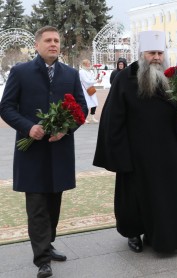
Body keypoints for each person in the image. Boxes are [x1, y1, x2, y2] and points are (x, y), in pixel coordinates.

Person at [93, 30, 177, 253]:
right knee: (135, 199)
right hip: (136, 153)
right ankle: (133, 234)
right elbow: (113, 120)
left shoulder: (171, 79)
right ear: (141, 54)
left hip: (167, 150)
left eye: (160, 52)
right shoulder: (125, 79)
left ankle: (163, 237)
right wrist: (120, 156)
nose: (156, 57)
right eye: (151, 53)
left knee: (166, 197)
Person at [0, 26, 88, 278]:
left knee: (54, 202)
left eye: (57, 40)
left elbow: (81, 108)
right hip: (32, 152)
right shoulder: (20, 72)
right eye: (48, 40)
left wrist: (66, 129)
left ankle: (47, 244)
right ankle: (42, 259)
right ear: (37, 45)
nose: (53, 44)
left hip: (59, 148)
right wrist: (29, 127)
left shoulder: (70, 74)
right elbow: (6, 107)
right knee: (37, 204)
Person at [79, 59, 100, 123]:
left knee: (94, 103)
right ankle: (83, 118)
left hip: (91, 89)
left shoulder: (90, 71)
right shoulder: (81, 72)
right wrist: (96, 81)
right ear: (84, 64)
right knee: (86, 104)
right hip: (85, 90)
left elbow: (92, 79)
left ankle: (92, 117)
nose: (89, 64)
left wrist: (96, 78)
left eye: (89, 63)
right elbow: (86, 81)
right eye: (88, 63)